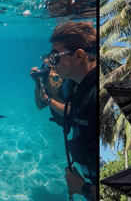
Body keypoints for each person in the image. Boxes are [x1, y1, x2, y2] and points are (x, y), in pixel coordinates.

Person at [46, 21, 97, 200]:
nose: (52, 63)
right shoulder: (75, 86)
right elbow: (72, 112)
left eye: (55, 56)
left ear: (79, 56)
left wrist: (83, 188)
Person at [30, 57, 73, 127]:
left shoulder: (69, 81)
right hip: (63, 120)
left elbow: (72, 112)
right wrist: (38, 82)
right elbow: (40, 106)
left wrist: (47, 100)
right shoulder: (47, 81)